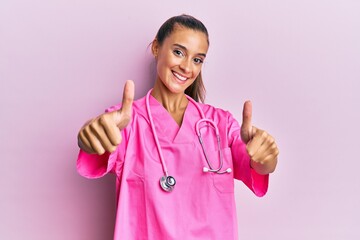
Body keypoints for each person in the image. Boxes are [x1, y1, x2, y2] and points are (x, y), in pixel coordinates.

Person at [77, 14, 279, 240]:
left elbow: (257, 166)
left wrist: (267, 157)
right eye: (179, 52)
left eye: (197, 59)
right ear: (156, 48)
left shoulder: (219, 124)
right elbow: (100, 144)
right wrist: (89, 137)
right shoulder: (127, 121)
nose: (186, 67)